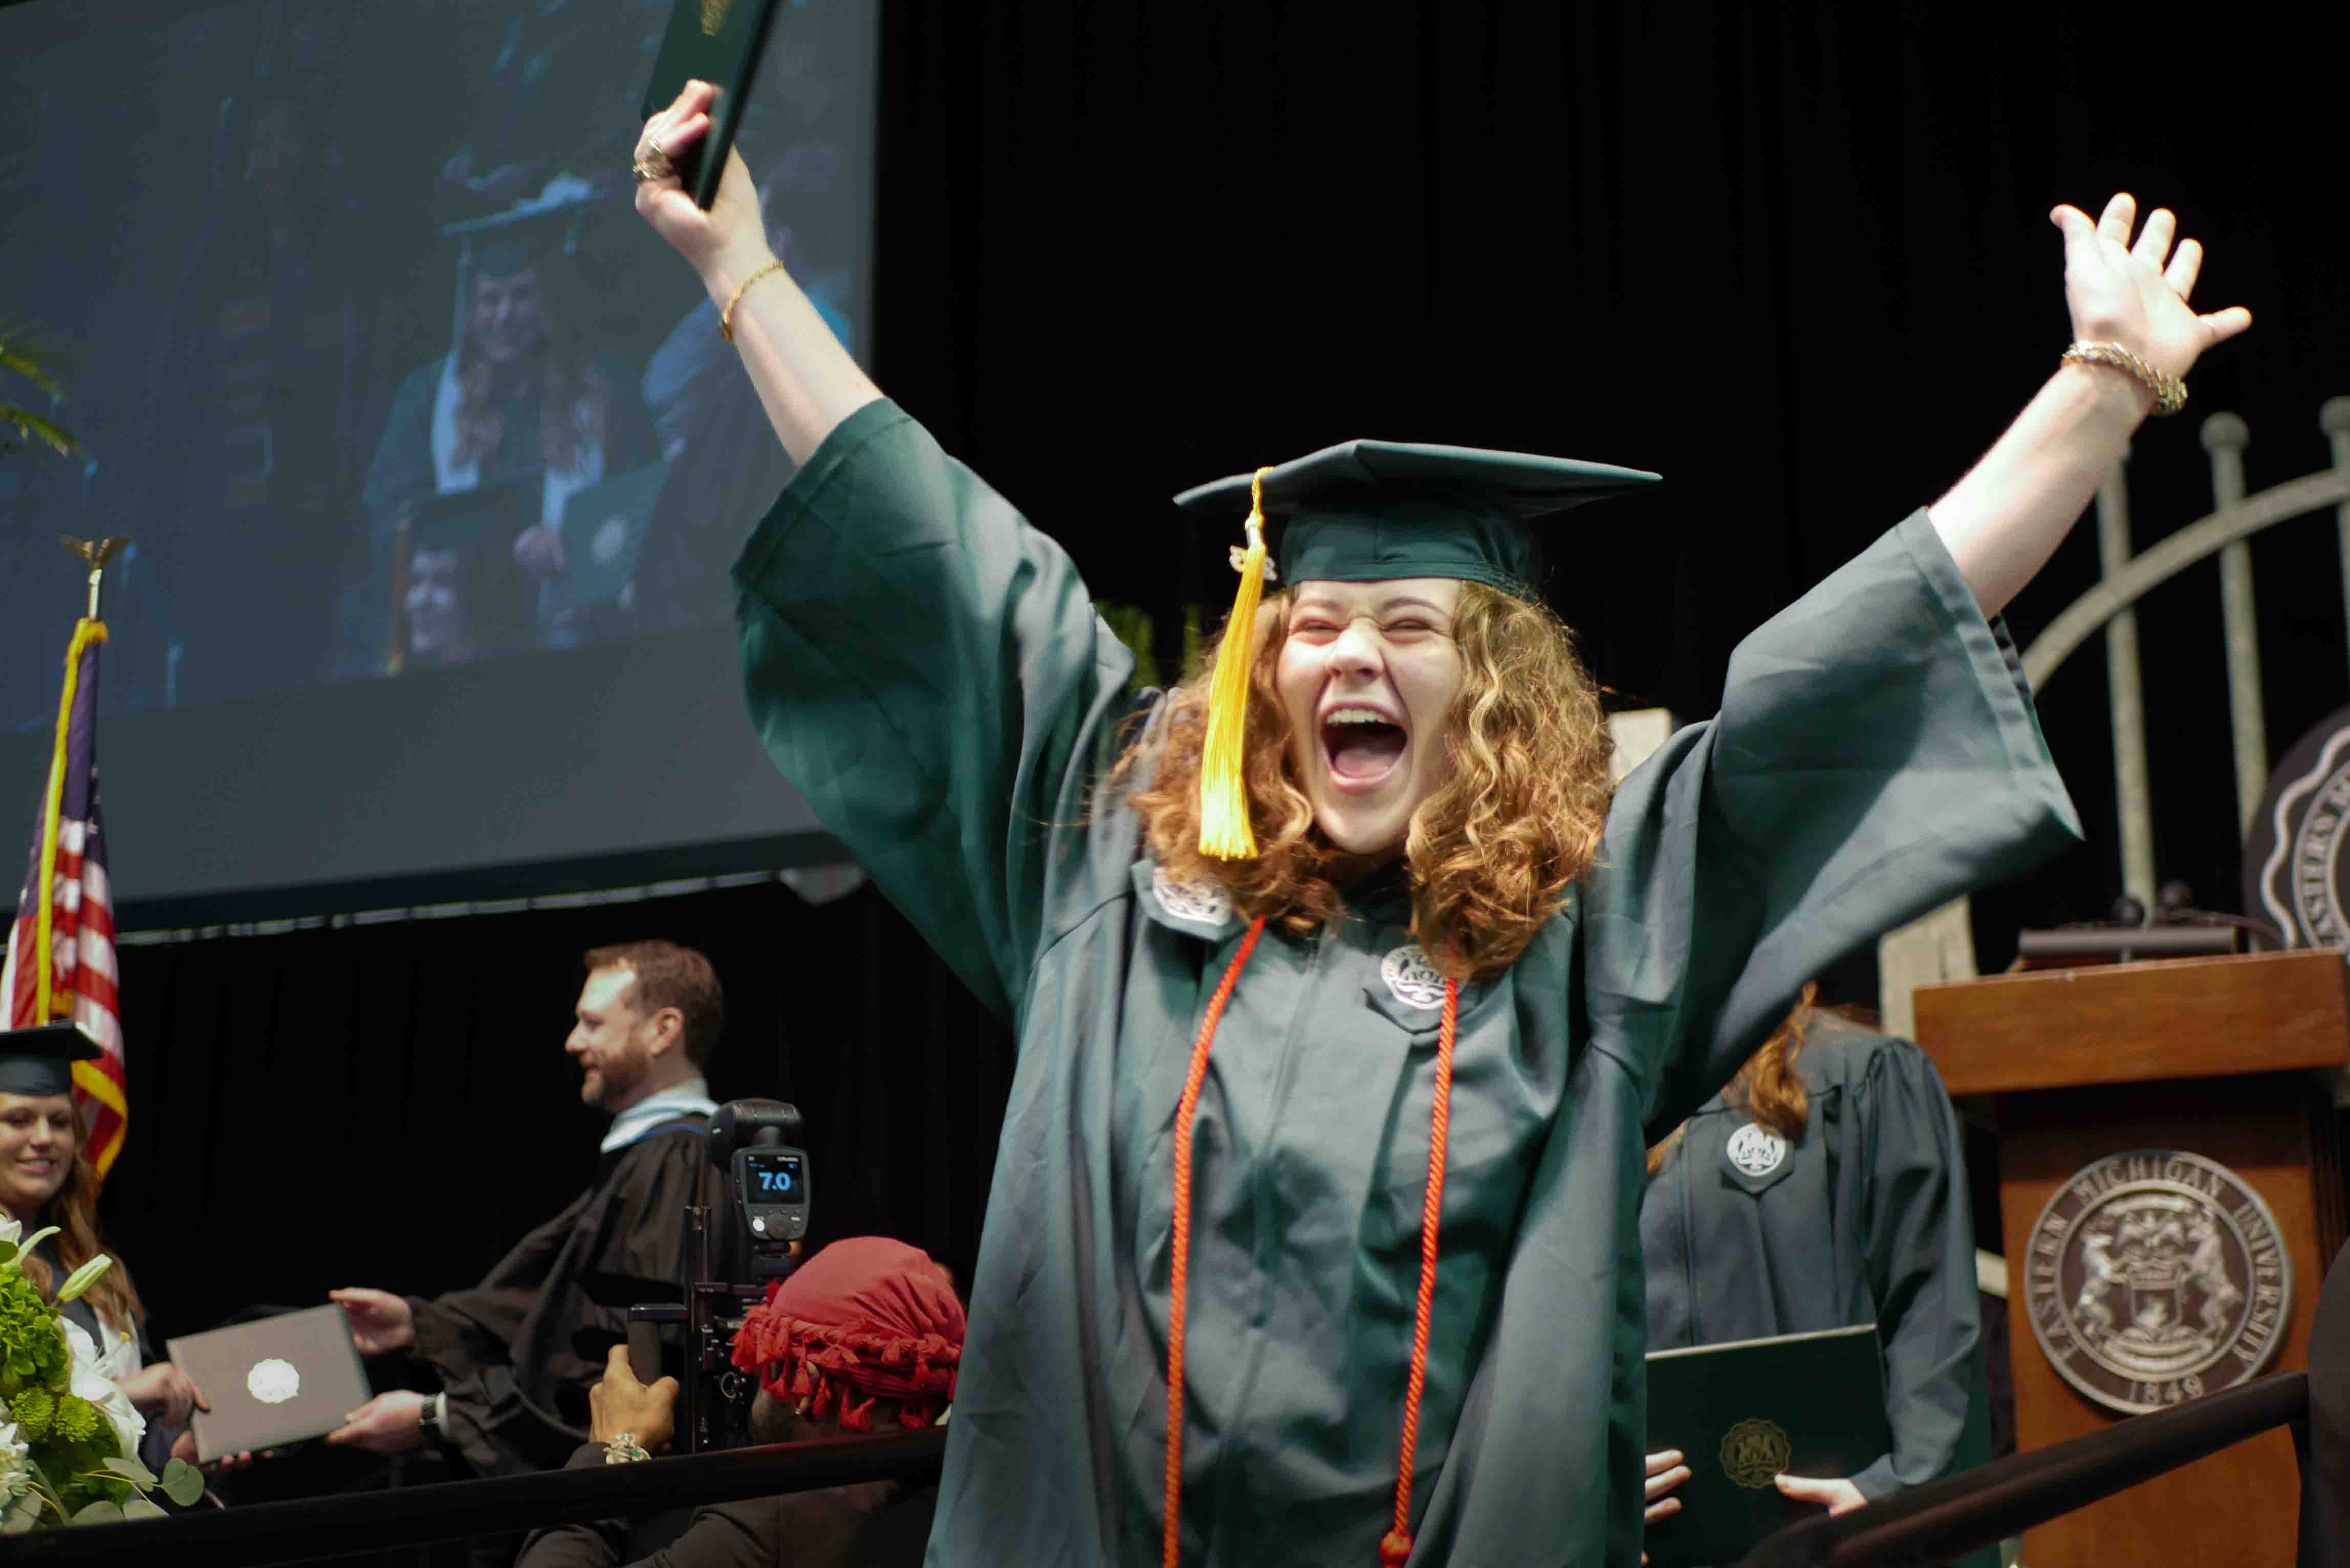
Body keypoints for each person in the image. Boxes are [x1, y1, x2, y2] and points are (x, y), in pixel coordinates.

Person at [634, 75, 2250, 1566]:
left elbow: (1832, 679)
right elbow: (947, 567)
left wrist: (2101, 388)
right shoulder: (1108, 874)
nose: (1351, 651)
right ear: (1259, 665)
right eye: (1316, 619)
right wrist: (745, 274)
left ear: (1496, 692)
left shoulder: (1595, 931)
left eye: (1413, 625)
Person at [325, 941, 727, 1476]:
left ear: (662, 1030)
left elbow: (616, 1361)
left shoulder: (675, 1160)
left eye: (592, 1023)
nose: (573, 1041)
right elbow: (559, 1303)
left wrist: (440, 1416)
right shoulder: (654, 1159)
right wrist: (416, 1324)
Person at [1637, 986, 1997, 1568]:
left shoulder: (1859, 1075)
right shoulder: (1596, 1087)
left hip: (1842, 1535)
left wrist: (1891, 1491)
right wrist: (1589, 1487)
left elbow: (1929, 1308)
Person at [349, 197, 660, 673]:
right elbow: (388, 518)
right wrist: (486, 550)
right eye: (490, 300)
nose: (505, 316)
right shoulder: (430, 396)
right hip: (462, 640)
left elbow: (639, 495)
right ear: (469, 309)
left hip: (574, 629)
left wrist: (571, 545)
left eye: (522, 296)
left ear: (551, 300)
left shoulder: (605, 384)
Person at [516, 1235, 960, 1568]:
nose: (750, 1375)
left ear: (806, 1382)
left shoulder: (778, 1524)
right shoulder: (952, 1485)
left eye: (765, 1357)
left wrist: (613, 1448)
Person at [0, 1024, 206, 1468]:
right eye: (18, 1120)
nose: (44, 1139)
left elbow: (140, 1438)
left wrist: (182, 1455)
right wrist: (125, 1395)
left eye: (59, 1122)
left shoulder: (99, 1271)